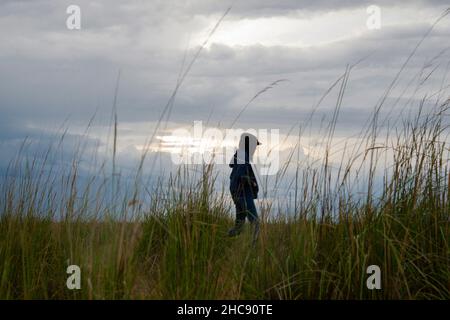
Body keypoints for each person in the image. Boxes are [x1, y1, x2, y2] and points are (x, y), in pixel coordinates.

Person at [228, 133, 261, 242]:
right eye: (254, 146)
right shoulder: (243, 156)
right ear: (249, 145)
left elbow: (235, 176)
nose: (255, 149)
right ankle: (253, 250)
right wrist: (251, 182)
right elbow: (240, 175)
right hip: (243, 193)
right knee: (255, 224)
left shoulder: (239, 155)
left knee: (239, 227)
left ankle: (220, 238)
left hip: (237, 194)